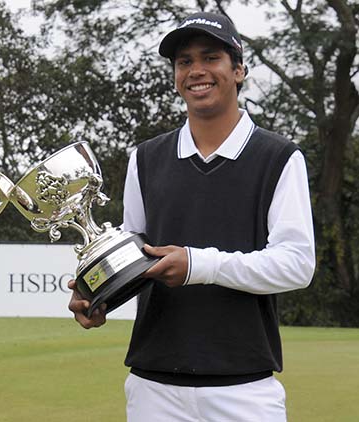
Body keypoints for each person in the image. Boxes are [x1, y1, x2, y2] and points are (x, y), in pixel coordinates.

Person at [68, 11, 315, 421]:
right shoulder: (145, 159)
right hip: (153, 387)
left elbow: (297, 264)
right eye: (184, 61)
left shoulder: (279, 157)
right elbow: (137, 257)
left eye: (210, 57)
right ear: (176, 76)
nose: (196, 70)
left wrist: (198, 264)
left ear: (238, 70)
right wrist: (100, 296)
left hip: (244, 388)